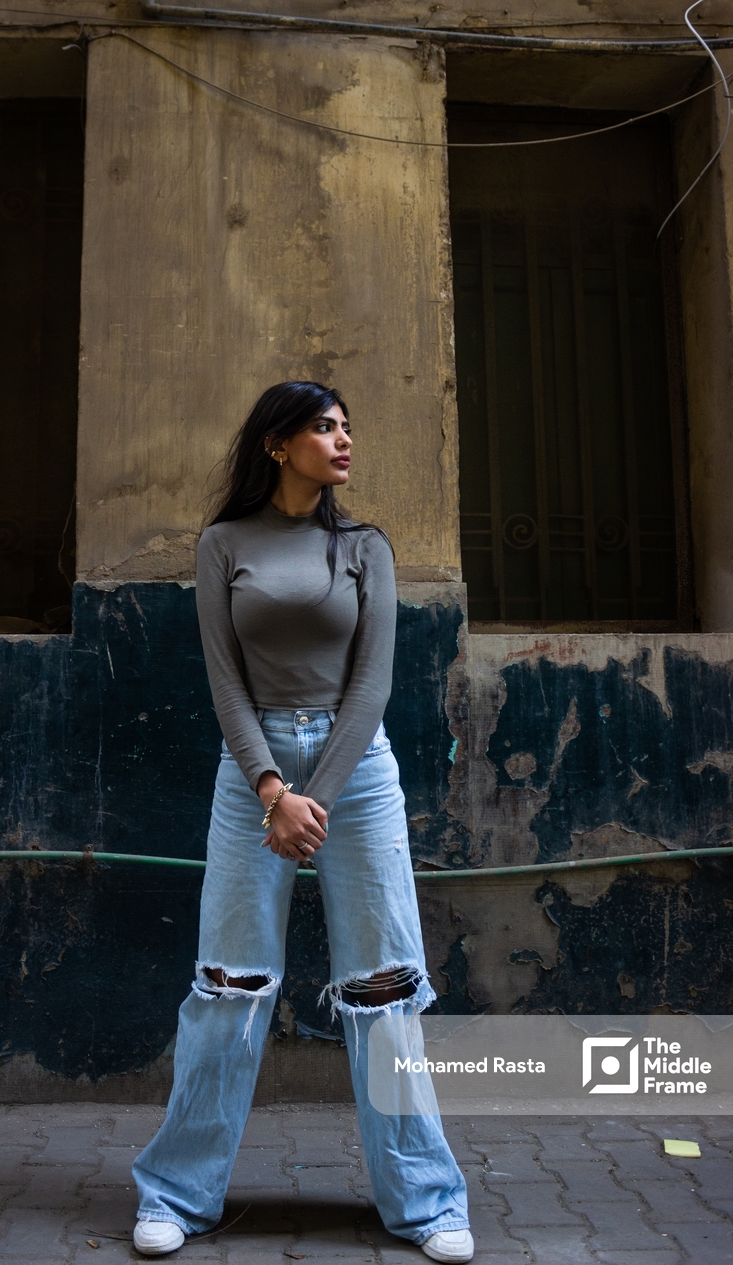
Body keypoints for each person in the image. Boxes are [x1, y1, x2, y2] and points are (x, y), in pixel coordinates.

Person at [131, 381, 472, 1261]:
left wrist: (315, 789)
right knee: (228, 987)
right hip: (255, 775)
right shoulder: (223, 544)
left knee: (385, 987)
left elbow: (373, 686)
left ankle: (429, 1204)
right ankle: (176, 1194)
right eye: (325, 427)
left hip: (358, 775)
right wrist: (274, 790)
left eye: (347, 427)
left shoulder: (364, 547)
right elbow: (224, 683)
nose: (344, 440)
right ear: (279, 444)